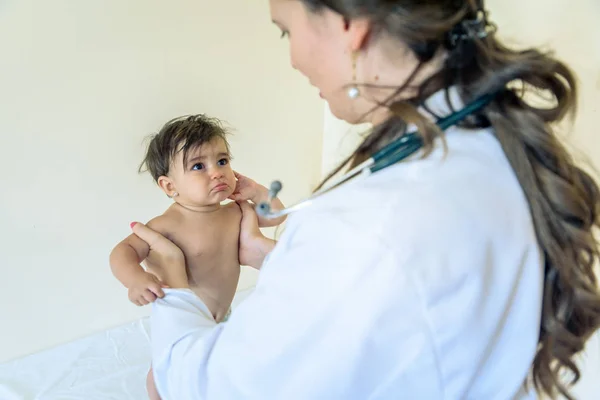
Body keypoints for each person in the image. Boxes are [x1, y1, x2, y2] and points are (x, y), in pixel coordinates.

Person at [129, 1, 600, 399]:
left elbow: (212, 387)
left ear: (346, 28)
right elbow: (394, 303)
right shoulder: (484, 143)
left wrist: (172, 285)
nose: (293, 58)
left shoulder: (369, 226)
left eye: (285, 31)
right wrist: (270, 257)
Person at [108, 114, 285, 399]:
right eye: (198, 166)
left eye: (223, 161)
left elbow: (276, 215)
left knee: (221, 370)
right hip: (179, 319)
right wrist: (136, 279)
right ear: (169, 186)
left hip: (222, 316)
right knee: (163, 377)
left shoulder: (236, 211)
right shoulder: (165, 226)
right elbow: (122, 252)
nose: (216, 172)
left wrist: (255, 191)